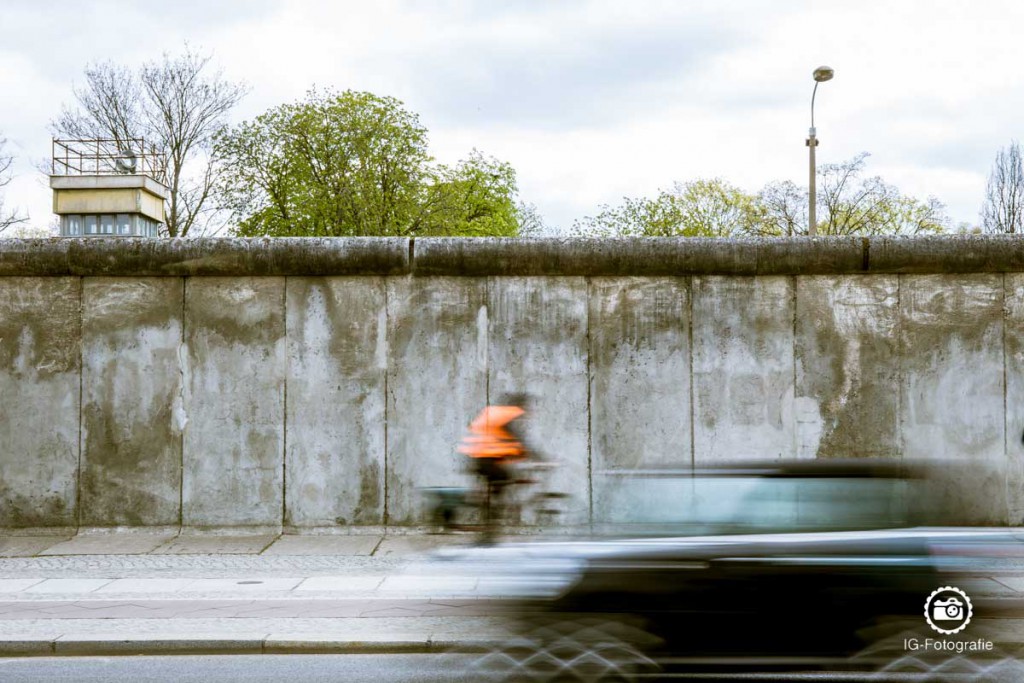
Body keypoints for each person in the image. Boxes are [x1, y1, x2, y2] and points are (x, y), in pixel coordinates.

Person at [457, 393, 537, 541]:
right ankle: (491, 523)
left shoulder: (497, 413)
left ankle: (490, 521)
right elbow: (514, 435)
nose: (526, 410)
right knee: (505, 479)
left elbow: (505, 439)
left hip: (481, 458)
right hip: (484, 459)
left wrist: (519, 453)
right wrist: (534, 454)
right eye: (525, 406)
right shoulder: (507, 414)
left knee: (498, 486)